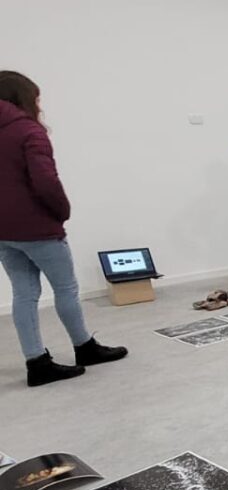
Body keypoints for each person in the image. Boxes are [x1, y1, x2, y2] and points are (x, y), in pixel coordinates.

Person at [0, 71, 128, 387]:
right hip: (38, 226)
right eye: (37, 98)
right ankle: (85, 347)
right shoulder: (28, 131)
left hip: (3, 231)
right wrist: (62, 211)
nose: (40, 104)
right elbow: (46, 181)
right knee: (66, 288)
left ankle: (36, 363)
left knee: (24, 293)